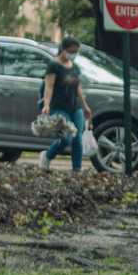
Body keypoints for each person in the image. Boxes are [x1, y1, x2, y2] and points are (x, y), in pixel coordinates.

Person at [38, 37, 91, 173]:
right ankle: (47, 155)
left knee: (77, 139)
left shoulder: (75, 67)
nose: (74, 54)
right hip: (58, 107)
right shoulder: (53, 66)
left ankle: (77, 170)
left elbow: (77, 87)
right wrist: (46, 104)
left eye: (76, 51)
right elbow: (48, 87)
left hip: (75, 107)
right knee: (66, 138)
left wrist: (85, 106)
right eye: (72, 51)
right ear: (64, 49)